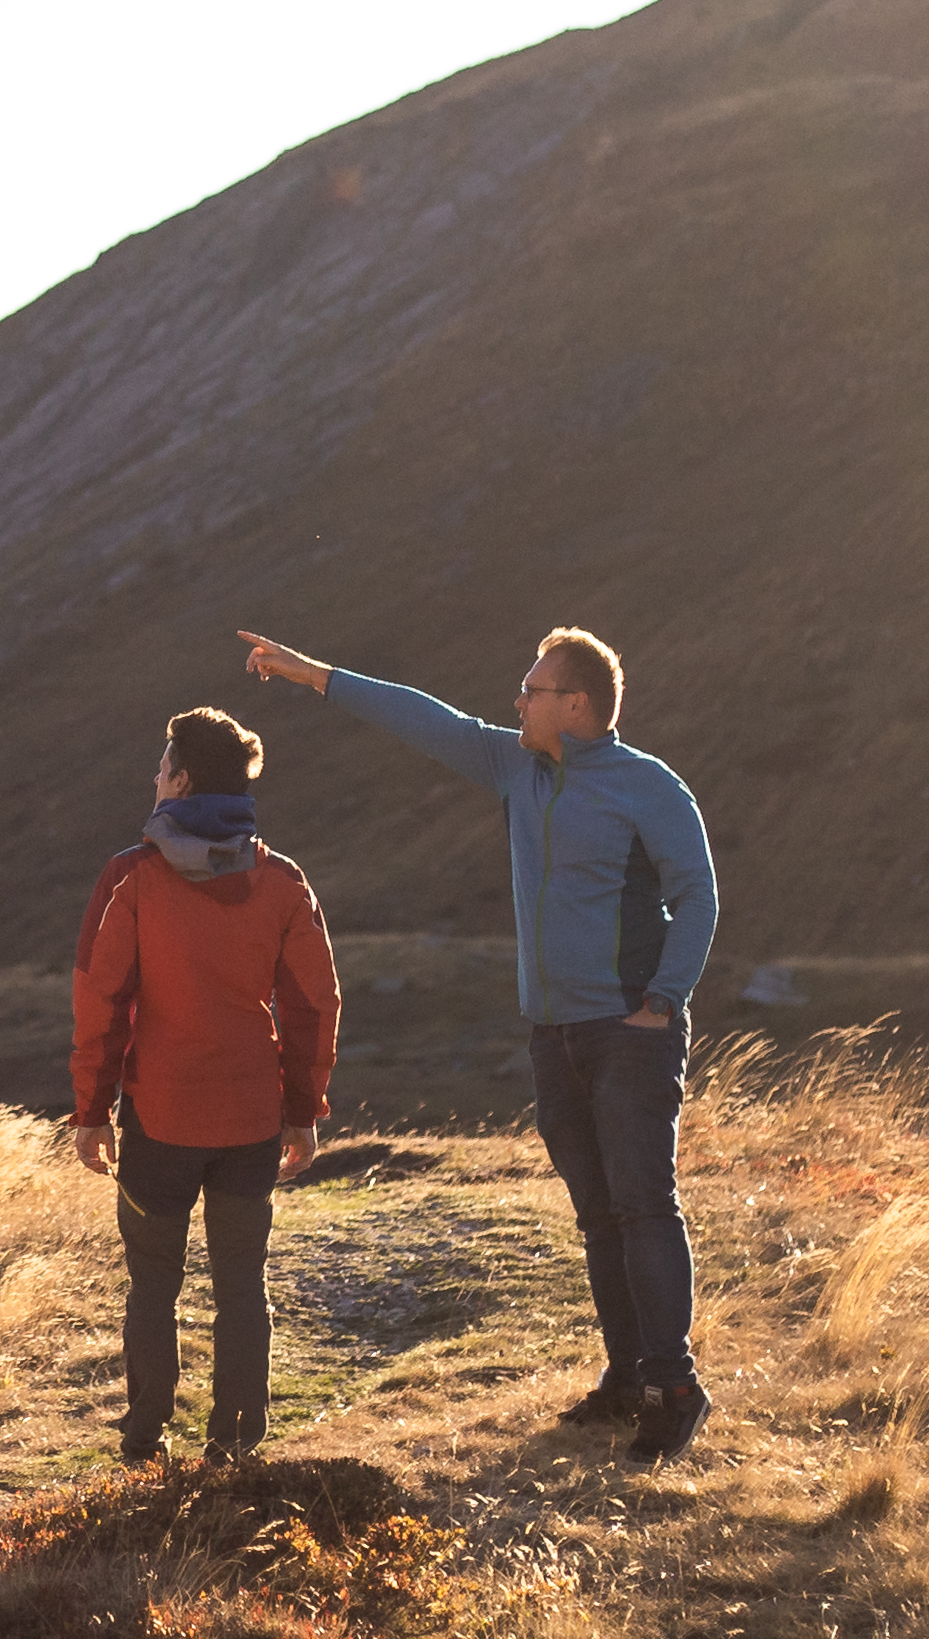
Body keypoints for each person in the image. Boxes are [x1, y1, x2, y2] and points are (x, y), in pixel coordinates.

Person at [237, 624, 719, 1463]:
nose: (517, 701)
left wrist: (661, 1003)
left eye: (531, 690)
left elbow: (699, 897)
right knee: (599, 1213)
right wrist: (317, 676)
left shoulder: (649, 788)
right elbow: (427, 720)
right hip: (554, 1035)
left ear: (575, 704)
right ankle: (626, 1376)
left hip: (627, 1034)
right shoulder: (517, 767)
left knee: (643, 1204)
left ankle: (675, 1387)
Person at [66, 704, 343, 1468]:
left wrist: (92, 1111)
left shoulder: (132, 877)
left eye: (160, 769)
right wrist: (302, 1108)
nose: (152, 780)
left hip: (160, 1116)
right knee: (241, 1282)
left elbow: (100, 996)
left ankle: (144, 1439)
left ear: (181, 780)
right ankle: (236, 1444)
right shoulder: (283, 880)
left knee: (153, 1279)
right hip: (251, 1116)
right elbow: (315, 1003)